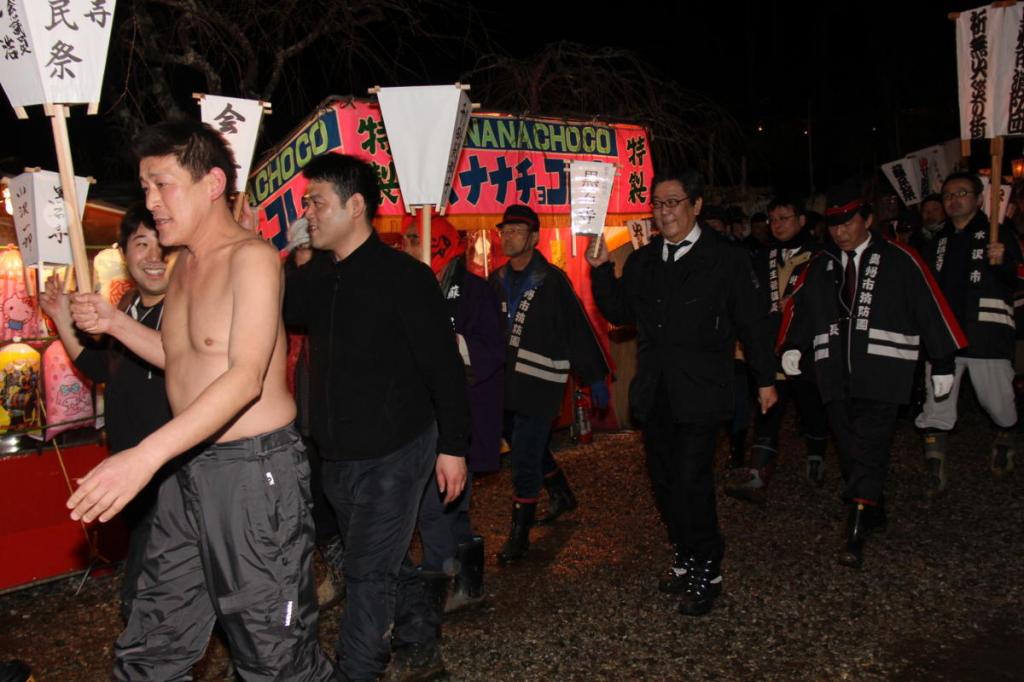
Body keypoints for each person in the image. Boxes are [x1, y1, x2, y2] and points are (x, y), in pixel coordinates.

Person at [67, 120, 335, 680]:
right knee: (151, 641)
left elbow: (244, 379)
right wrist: (115, 323)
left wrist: (143, 456)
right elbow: (183, 357)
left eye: (162, 185)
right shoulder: (182, 263)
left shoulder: (252, 258)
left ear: (212, 184)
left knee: (274, 656)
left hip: (254, 474)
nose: (151, 202)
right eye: (144, 188)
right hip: (188, 470)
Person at [284, 153, 469, 681]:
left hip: (398, 449)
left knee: (367, 572)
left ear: (356, 205)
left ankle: (356, 671)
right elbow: (292, 313)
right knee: (384, 560)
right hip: (337, 454)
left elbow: (445, 369)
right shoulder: (321, 272)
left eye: (316, 202)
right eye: (306, 203)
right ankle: (419, 637)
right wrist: (300, 256)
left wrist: (453, 447)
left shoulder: (405, 277)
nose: (308, 214)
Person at [588, 168, 778, 616]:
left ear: (695, 206)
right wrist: (599, 271)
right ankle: (685, 553)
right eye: (657, 203)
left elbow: (751, 322)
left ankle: (707, 565)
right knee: (664, 483)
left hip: (702, 390)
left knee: (693, 482)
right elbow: (619, 311)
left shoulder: (726, 259)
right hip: (656, 393)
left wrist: (765, 378)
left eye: (673, 202)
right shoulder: (644, 260)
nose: (664, 211)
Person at [778, 184, 965, 569]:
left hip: (885, 369)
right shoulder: (822, 264)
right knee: (848, 446)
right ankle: (872, 505)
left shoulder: (900, 259)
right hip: (833, 371)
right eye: (833, 226)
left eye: (848, 223)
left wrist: (942, 362)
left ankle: (857, 526)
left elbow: (930, 307)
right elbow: (803, 309)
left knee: (872, 442)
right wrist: (793, 346)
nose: (840, 232)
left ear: (866, 220)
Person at [40, 204, 174, 622]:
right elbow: (102, 369)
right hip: (132, 474)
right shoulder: (131, 304)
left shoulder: (188, 307)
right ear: (123, 252)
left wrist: (114, 322)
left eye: (163, 246)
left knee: (150, 596)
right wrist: (62, 318)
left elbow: (180, 359)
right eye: (141, 244)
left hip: (173, 475)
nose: (154, 257)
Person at [489, 204, 609, 565]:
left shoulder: (552, 280)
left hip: (542, 382)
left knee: (523, 457)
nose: (508, 236)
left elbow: (578, 329)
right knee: (528, 444)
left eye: (516, 230)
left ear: (534, 237)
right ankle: (561, 493)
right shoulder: (495, 280)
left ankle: (519, 535)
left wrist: (595, 378)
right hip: (507, 383)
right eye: (504, 230)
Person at [402, 218, 505, 613]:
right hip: (421, 413)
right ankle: (467, 582)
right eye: (407, 239)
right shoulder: (413, 286)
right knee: (447, 504)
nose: (408, 247)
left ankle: (439, 586)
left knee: (442, 502)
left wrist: (446, 344)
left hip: (461, 410)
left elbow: (492, 351)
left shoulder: (476, 292)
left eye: (415, 239)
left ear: (439, 243)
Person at [914, 172, 1022, 490]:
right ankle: (935, 466)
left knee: (997, 402)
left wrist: (1003, 262)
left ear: (978, 199)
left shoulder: (997, 233)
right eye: (947, 195)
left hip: (986, 334)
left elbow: (1018, 276)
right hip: (944, 336)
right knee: (936, 402)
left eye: (962, 193)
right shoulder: (937, 241)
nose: (953, 199)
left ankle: (1005, 436)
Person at [726, 195, 829, 503]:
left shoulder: (821, 256)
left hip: (808, 348)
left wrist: (800, 304)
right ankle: (758, 474)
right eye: (773, 219)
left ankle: (816, 459)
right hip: (771, 345)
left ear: (801, 221)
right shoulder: (762, 257)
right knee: (768, 407)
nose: (778, 225)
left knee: (812, 405)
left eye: (785, 218)